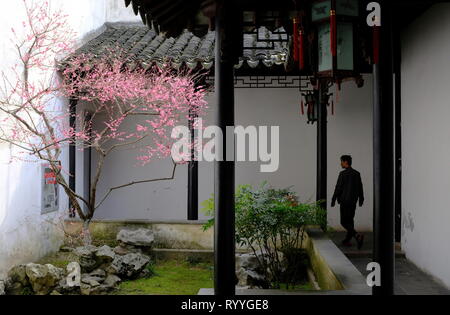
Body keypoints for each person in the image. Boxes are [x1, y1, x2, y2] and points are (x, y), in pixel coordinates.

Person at [331, 155, 365, 249]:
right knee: (350, 221)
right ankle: (347, 240)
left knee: (343, 222)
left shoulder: (342, 174)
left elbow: (338, 187)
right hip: (353, 201)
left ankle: (357, 236)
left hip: (344, 201)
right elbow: (360, 187)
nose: (340, 163)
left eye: (341, 161)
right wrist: (361, 198)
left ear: (346, 162)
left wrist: (334, 198)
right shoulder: (356, 173)